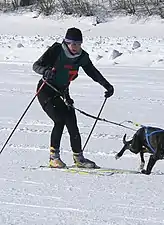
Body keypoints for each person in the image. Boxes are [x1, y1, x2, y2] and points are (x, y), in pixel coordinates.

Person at [33, 27, 114, 169]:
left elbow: (93, 72)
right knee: (59, 120)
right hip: (46, 90)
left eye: (78, 44)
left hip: (62, 92)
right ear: (66, 42)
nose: (75, 47)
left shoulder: (82, 57)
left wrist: (107, 85)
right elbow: (36, 66)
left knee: (72, 121)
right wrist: (45, 71)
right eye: (72, 43)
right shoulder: (57, 50)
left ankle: (79, 158)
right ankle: (54, 158)